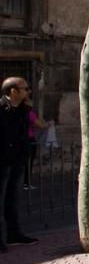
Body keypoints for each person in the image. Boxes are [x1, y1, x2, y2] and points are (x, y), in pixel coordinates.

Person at [0, 77, 37, 249]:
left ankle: (14, 233)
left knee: (12, 198)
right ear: (13, 91)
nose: (28, 91)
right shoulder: (1, 109)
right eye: (25, 89)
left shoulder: (23, 109)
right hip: (2, 160)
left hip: (17, 159)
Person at [22, 89, 49, 190]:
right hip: (29, 139)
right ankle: (26, 183)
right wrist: (49, 124)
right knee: (29, 162)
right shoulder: (30, 114)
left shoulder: (17, 112)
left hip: (20, 139)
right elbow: (41, 125)